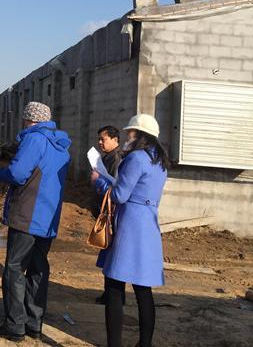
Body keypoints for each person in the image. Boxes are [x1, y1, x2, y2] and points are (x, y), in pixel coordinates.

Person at [0, 101, 72, 342]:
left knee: (15, 268)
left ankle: (15, 325)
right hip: (48, 217)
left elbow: (17, 173)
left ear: (29, 120)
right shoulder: (61, 145)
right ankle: (34, 323)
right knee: (38, 268)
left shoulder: (34, 139)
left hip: (27, 214)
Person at [90, 114, 169, 347]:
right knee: (143, 290)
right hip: (148, 224)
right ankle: (144, 343)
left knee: (114, 286)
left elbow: (119, 195)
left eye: (130, 132)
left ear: (139, 134)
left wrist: (99, 181)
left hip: (130, 225)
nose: (127, 136)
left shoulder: (137, 158)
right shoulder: (159, 160)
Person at [94, 125, 122, 306]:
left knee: (111, 254)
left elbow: (115, 187)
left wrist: (98, 182)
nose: (100, 143)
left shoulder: (116, 159)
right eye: (99, 139)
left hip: (112, 212)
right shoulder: (109, 157)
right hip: (108, 210)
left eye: (103, 139)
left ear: (115, 140)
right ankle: (110, 294)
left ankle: (113, 296)